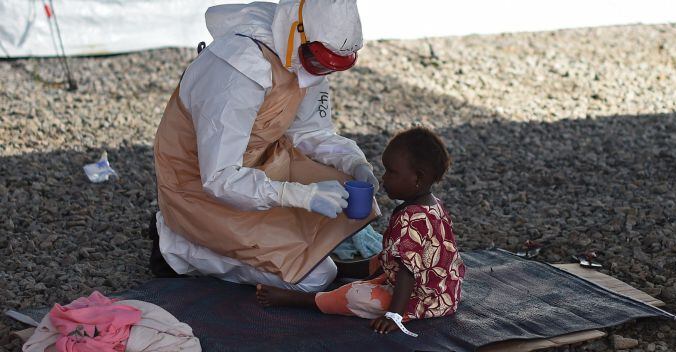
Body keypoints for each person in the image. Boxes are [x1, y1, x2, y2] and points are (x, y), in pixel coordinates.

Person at [149, 0, 379, 293]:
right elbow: (219, 178)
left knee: (349, 189)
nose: (322, 72)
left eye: (330, 66)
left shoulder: (303, 53)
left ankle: (277, 241)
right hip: (200, 187)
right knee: (315, 277)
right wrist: (300, 196)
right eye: (319, 61)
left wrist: (355, 163)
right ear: (298, 33)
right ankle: (177, 247)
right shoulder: (238, 70)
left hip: (261, 163)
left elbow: (310, 132)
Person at [256, 127, 466, 336]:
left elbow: (407, 272)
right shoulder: (433, 205)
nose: (384, 178)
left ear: (417, 178)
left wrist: (394, 316)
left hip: (423, 299)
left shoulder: (411, 218)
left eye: (391, 172)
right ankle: (341, 269)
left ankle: (299, 299)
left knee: (356, 295)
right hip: (446, 291)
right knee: (385, 258)